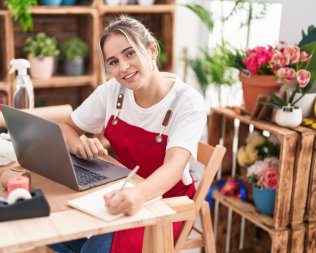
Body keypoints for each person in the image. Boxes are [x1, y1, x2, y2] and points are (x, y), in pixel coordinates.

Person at [49, 15, 207, 253]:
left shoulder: (187, 102)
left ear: (152, 50)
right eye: (113, 61)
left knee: (93, 249)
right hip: (117, 191)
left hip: (163, 204)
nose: (123, 67)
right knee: (51, 231)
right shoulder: (113, 91)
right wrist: (78, 146)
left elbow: (174, 167)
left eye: (130, 53)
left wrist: (137, 195)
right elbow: (66, 128)